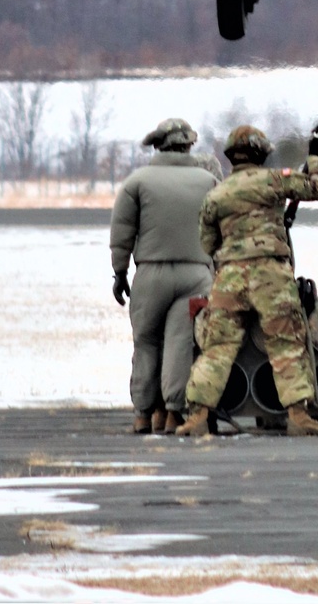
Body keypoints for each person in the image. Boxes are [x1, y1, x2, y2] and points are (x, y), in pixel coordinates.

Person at [177, 124, 318, 438]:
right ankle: (299, 415)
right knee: (287, 344)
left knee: (217, 348)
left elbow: (208, 243)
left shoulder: (216, 194)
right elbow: (316, 189)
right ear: (262, 154)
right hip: (270, 276)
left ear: (231, 156)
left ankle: (197, 417)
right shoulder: (274, 181)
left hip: (229, 276)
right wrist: (315, 156)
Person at [109, 118, 221, 435]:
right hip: (197, 273)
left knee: (146, 343)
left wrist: (120, 272)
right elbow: (221, 231)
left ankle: (144, 415)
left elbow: (122, 232)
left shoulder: (137, 182)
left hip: (151, 273)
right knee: (181, 344)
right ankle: (174, 414)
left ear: (158, 145)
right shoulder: (208, 181)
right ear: (189, 145)